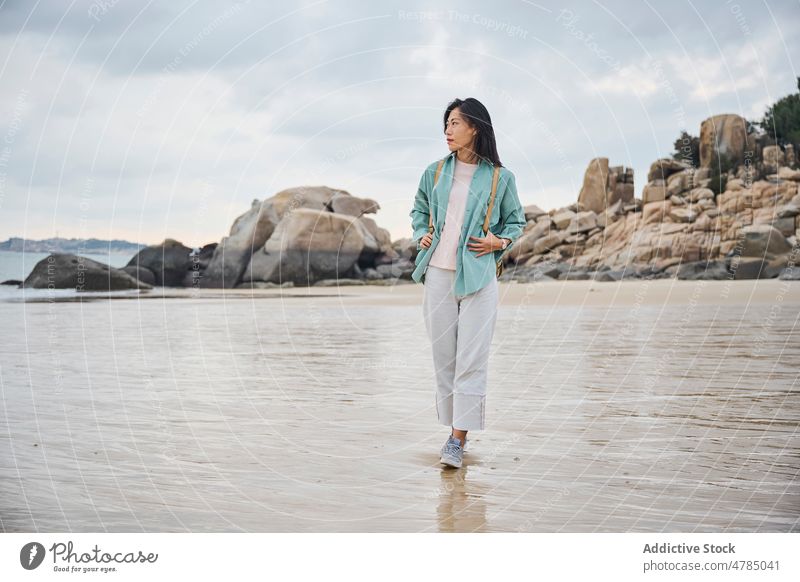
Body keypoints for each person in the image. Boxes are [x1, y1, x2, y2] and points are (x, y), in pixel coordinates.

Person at [409, 97, 526, 468]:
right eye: (446, 124)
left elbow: (515, 221)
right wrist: (420, 236)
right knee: (444, 358)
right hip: (438, 276)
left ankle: (457, 441)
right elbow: (419, 210)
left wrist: (499, 242)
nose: (448, 130)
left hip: (478, 275)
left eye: (455, 123)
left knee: (471, 360)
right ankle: (452, 428)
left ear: (475, 127)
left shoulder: (499, 177)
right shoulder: (434, 172)